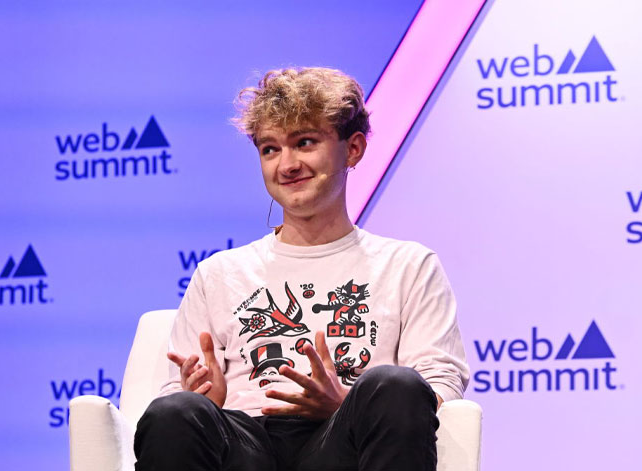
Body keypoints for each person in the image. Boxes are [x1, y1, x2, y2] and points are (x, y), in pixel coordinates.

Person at [134, 67, 469, 471]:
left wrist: (344, 404)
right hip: (246, 444)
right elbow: (176, 394)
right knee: (176, 411)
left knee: (397, 385)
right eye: (270, 149)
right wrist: (206, 399)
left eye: (304, 143)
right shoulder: (219, 272)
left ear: (354, 149)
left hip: (344, 442)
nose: (286, 165)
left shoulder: (409, 266)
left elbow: (439, 385)